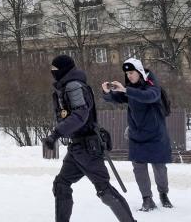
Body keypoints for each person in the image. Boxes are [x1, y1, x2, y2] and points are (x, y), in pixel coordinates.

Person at [42, 54, 137, 222]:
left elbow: (80, 115)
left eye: (55, 70)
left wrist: (56, 133)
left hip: (88, 149)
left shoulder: (73, 86)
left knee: (104, 190)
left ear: (64, 69)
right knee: (61, 184)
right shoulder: (67, 86)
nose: (53, 73)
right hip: (77, 148)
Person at [103, 58, 173, 211]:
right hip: (136, 134)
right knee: (139, 168)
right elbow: (118, 99)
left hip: (156, 134)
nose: (129, 76)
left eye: (131, 72)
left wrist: (126, 90)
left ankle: (163, 194)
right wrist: (108, 93)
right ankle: (147, 199)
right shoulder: (129, 87)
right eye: (127, 73)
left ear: (139, 72)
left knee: (159, 167)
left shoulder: (151, 84)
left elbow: (150, 96)